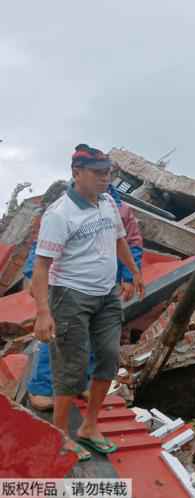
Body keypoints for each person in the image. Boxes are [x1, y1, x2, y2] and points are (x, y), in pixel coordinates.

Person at [32, 144, 144, 462]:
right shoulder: (59, 214)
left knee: (108, 357)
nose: (105, 179)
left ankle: (89, 427)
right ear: (77, 173)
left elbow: (120, 239)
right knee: (71, 367)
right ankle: (60, 436)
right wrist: (43, 312)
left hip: (106, 294)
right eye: (98, 173)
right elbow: (40, 267)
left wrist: (134, 272)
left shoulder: (108, 202)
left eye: (108, 173)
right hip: (70, 296)